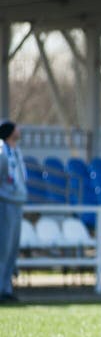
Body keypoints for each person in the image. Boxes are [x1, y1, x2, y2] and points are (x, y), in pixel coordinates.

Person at [0, 120, 27, 303]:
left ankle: (6, 287)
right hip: (5, 202)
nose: (20, 130)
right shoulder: (2, 153)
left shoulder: (16, 151)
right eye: (16, 127)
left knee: (12, 249)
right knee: (4, 247)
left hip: (17, 202)